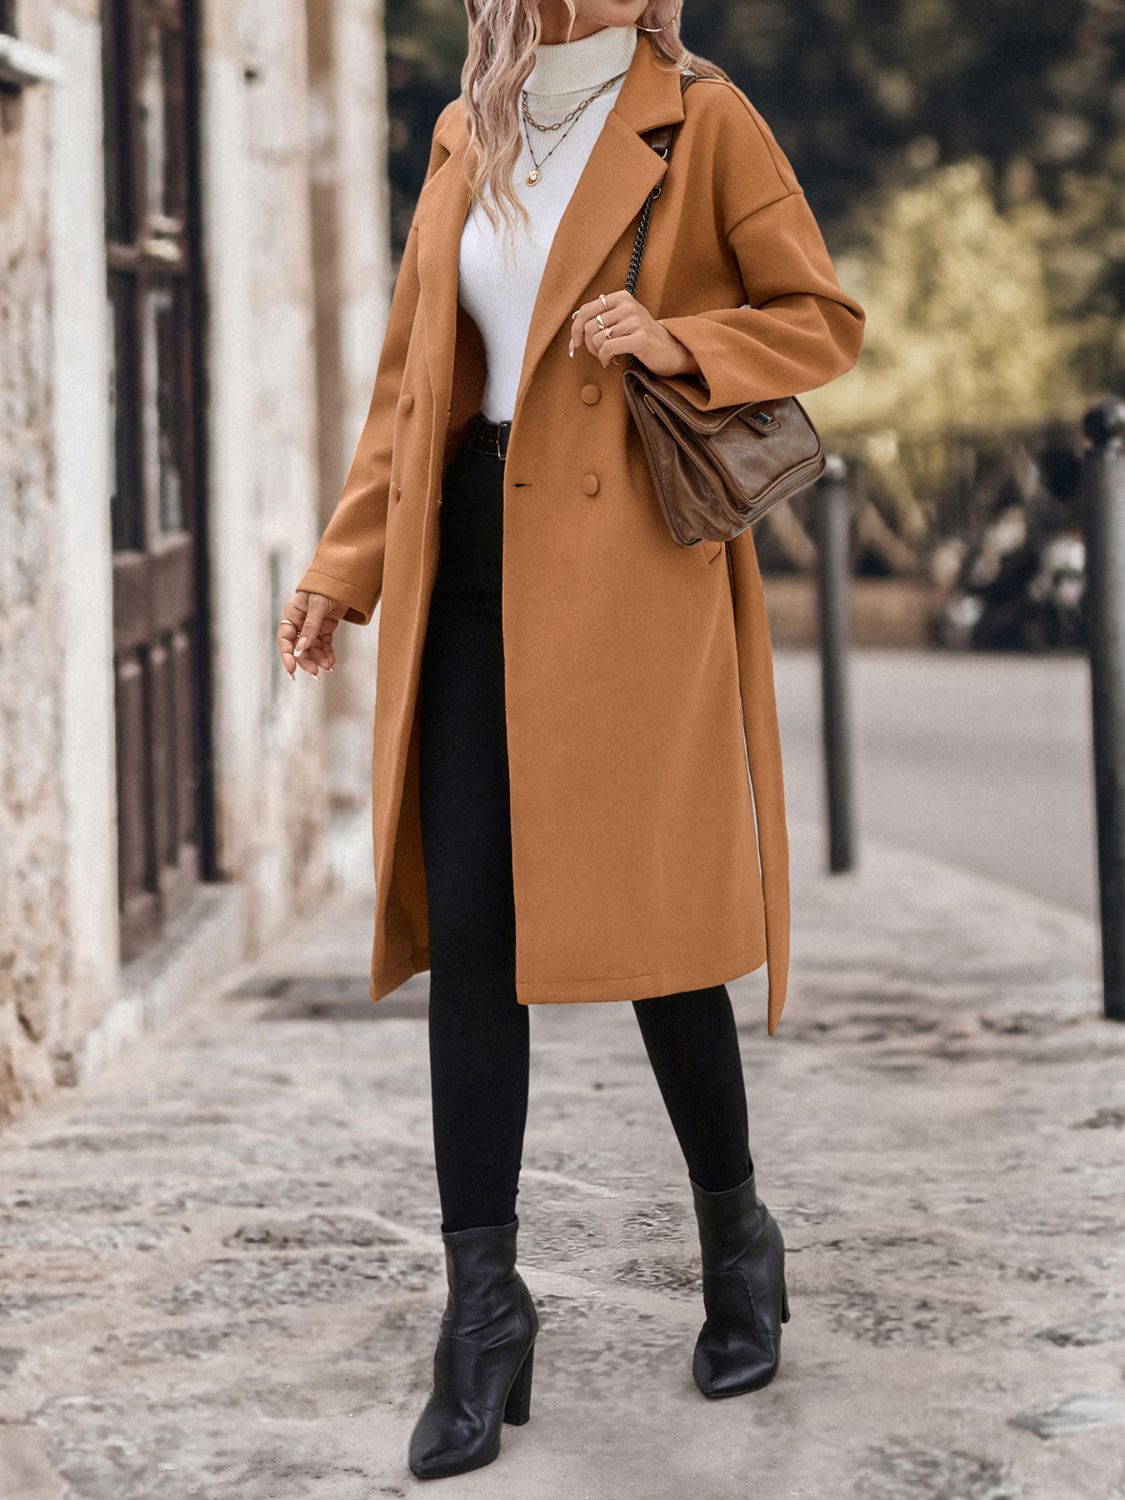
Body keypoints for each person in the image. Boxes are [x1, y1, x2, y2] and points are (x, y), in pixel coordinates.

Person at [277, 0, 864, 1481]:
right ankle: (482, 1313)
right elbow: (418, 381)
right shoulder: (471, 123)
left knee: (655, 938)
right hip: (464, 567)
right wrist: (342, 568)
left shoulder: (701, 116)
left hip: (630, 588)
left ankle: (737, 1240)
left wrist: (678, 335)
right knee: (472, 928)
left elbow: (819, 318)